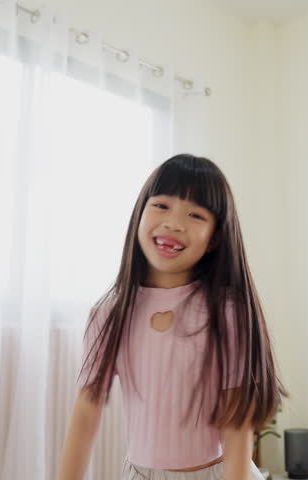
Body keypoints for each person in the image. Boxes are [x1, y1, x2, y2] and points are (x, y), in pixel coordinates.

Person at [56, 154, 289, 480]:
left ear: (215, 238)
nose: (174, 223)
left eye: (195, 214)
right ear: (140, 214)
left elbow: (238, 427)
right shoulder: (108, 314)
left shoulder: (227, 312)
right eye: (162, 206)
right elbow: (85, 414)